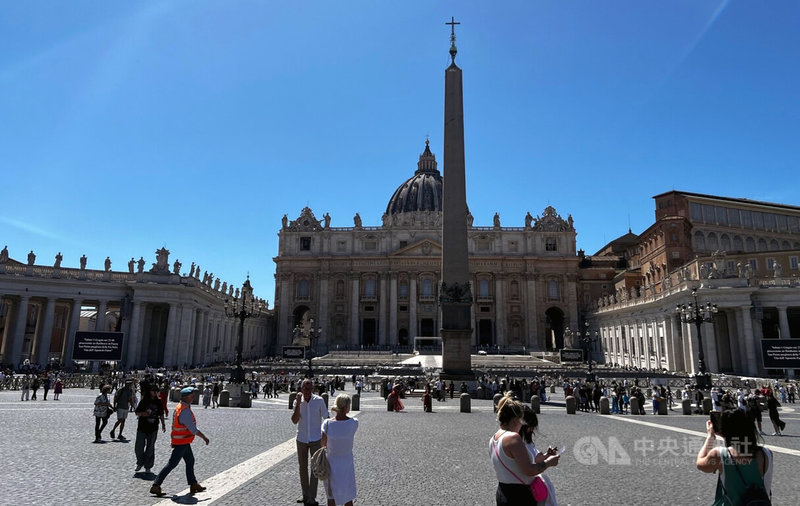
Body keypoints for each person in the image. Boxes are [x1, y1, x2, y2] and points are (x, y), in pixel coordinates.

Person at [490, 393, 560, 505]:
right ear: (515, 420)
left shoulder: (494, 438)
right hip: (519, 496)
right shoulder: (513, 438)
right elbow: (529, 470)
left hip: (503, 491)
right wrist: (548, 462)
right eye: (521, 421)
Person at [696, 409, 773, 505]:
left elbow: (700, 463)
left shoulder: (719, 454)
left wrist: (710, 437)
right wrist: (727, 436)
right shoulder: (767, 453)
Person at [150, 387, 209, 497]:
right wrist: (204, 437)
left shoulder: (180, 407)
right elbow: (193, 429)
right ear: (186, 397)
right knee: (172, 464)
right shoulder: (184, 411)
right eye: (192, 396)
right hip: (182, 442)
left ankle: (193, 483)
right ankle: (156, 485)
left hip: (183, 441)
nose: (193, 397)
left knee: (190, 461)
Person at [292, 378, 329, 506]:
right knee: (302, 468)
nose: (307, 391)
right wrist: (297, 403)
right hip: (301, 438)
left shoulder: (319, 401)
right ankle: (305, 495)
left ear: (313, 389)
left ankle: (312, 497)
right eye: (304, 388)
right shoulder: (298, 402)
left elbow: (326, 418)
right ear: (301, 389)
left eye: (309, 388)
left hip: (316, 439)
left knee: (315, 468)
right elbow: (294, 420)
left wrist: (326, 437)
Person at [321, 394, 359, 506]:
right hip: (347, 463)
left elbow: (323, 444)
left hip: (331, 463)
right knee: (347, 496)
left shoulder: (327, 424)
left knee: (331, 496)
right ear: (347, 407)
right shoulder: (354, 423)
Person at [519, 406, 559, 506]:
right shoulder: (517, 441)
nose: (532, 430)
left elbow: (535, 458)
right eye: (531, 426)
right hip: (524, 485)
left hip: (533, 483)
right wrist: (548, 462)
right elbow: (529, 468)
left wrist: (547, 455)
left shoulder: (527, 440)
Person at [134, 386, 166, 473]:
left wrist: (163, 424)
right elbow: (136, 412)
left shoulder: (158, 402)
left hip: (153, 427)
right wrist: (142, 414)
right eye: (153, 391)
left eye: (156, 391)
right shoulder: (144, 401)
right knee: (139, 447)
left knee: (150, 448)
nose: (155, 392)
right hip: (142, 426)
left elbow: (161, 413)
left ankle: (148, 466)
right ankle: (140, 462)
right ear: (149, 392)